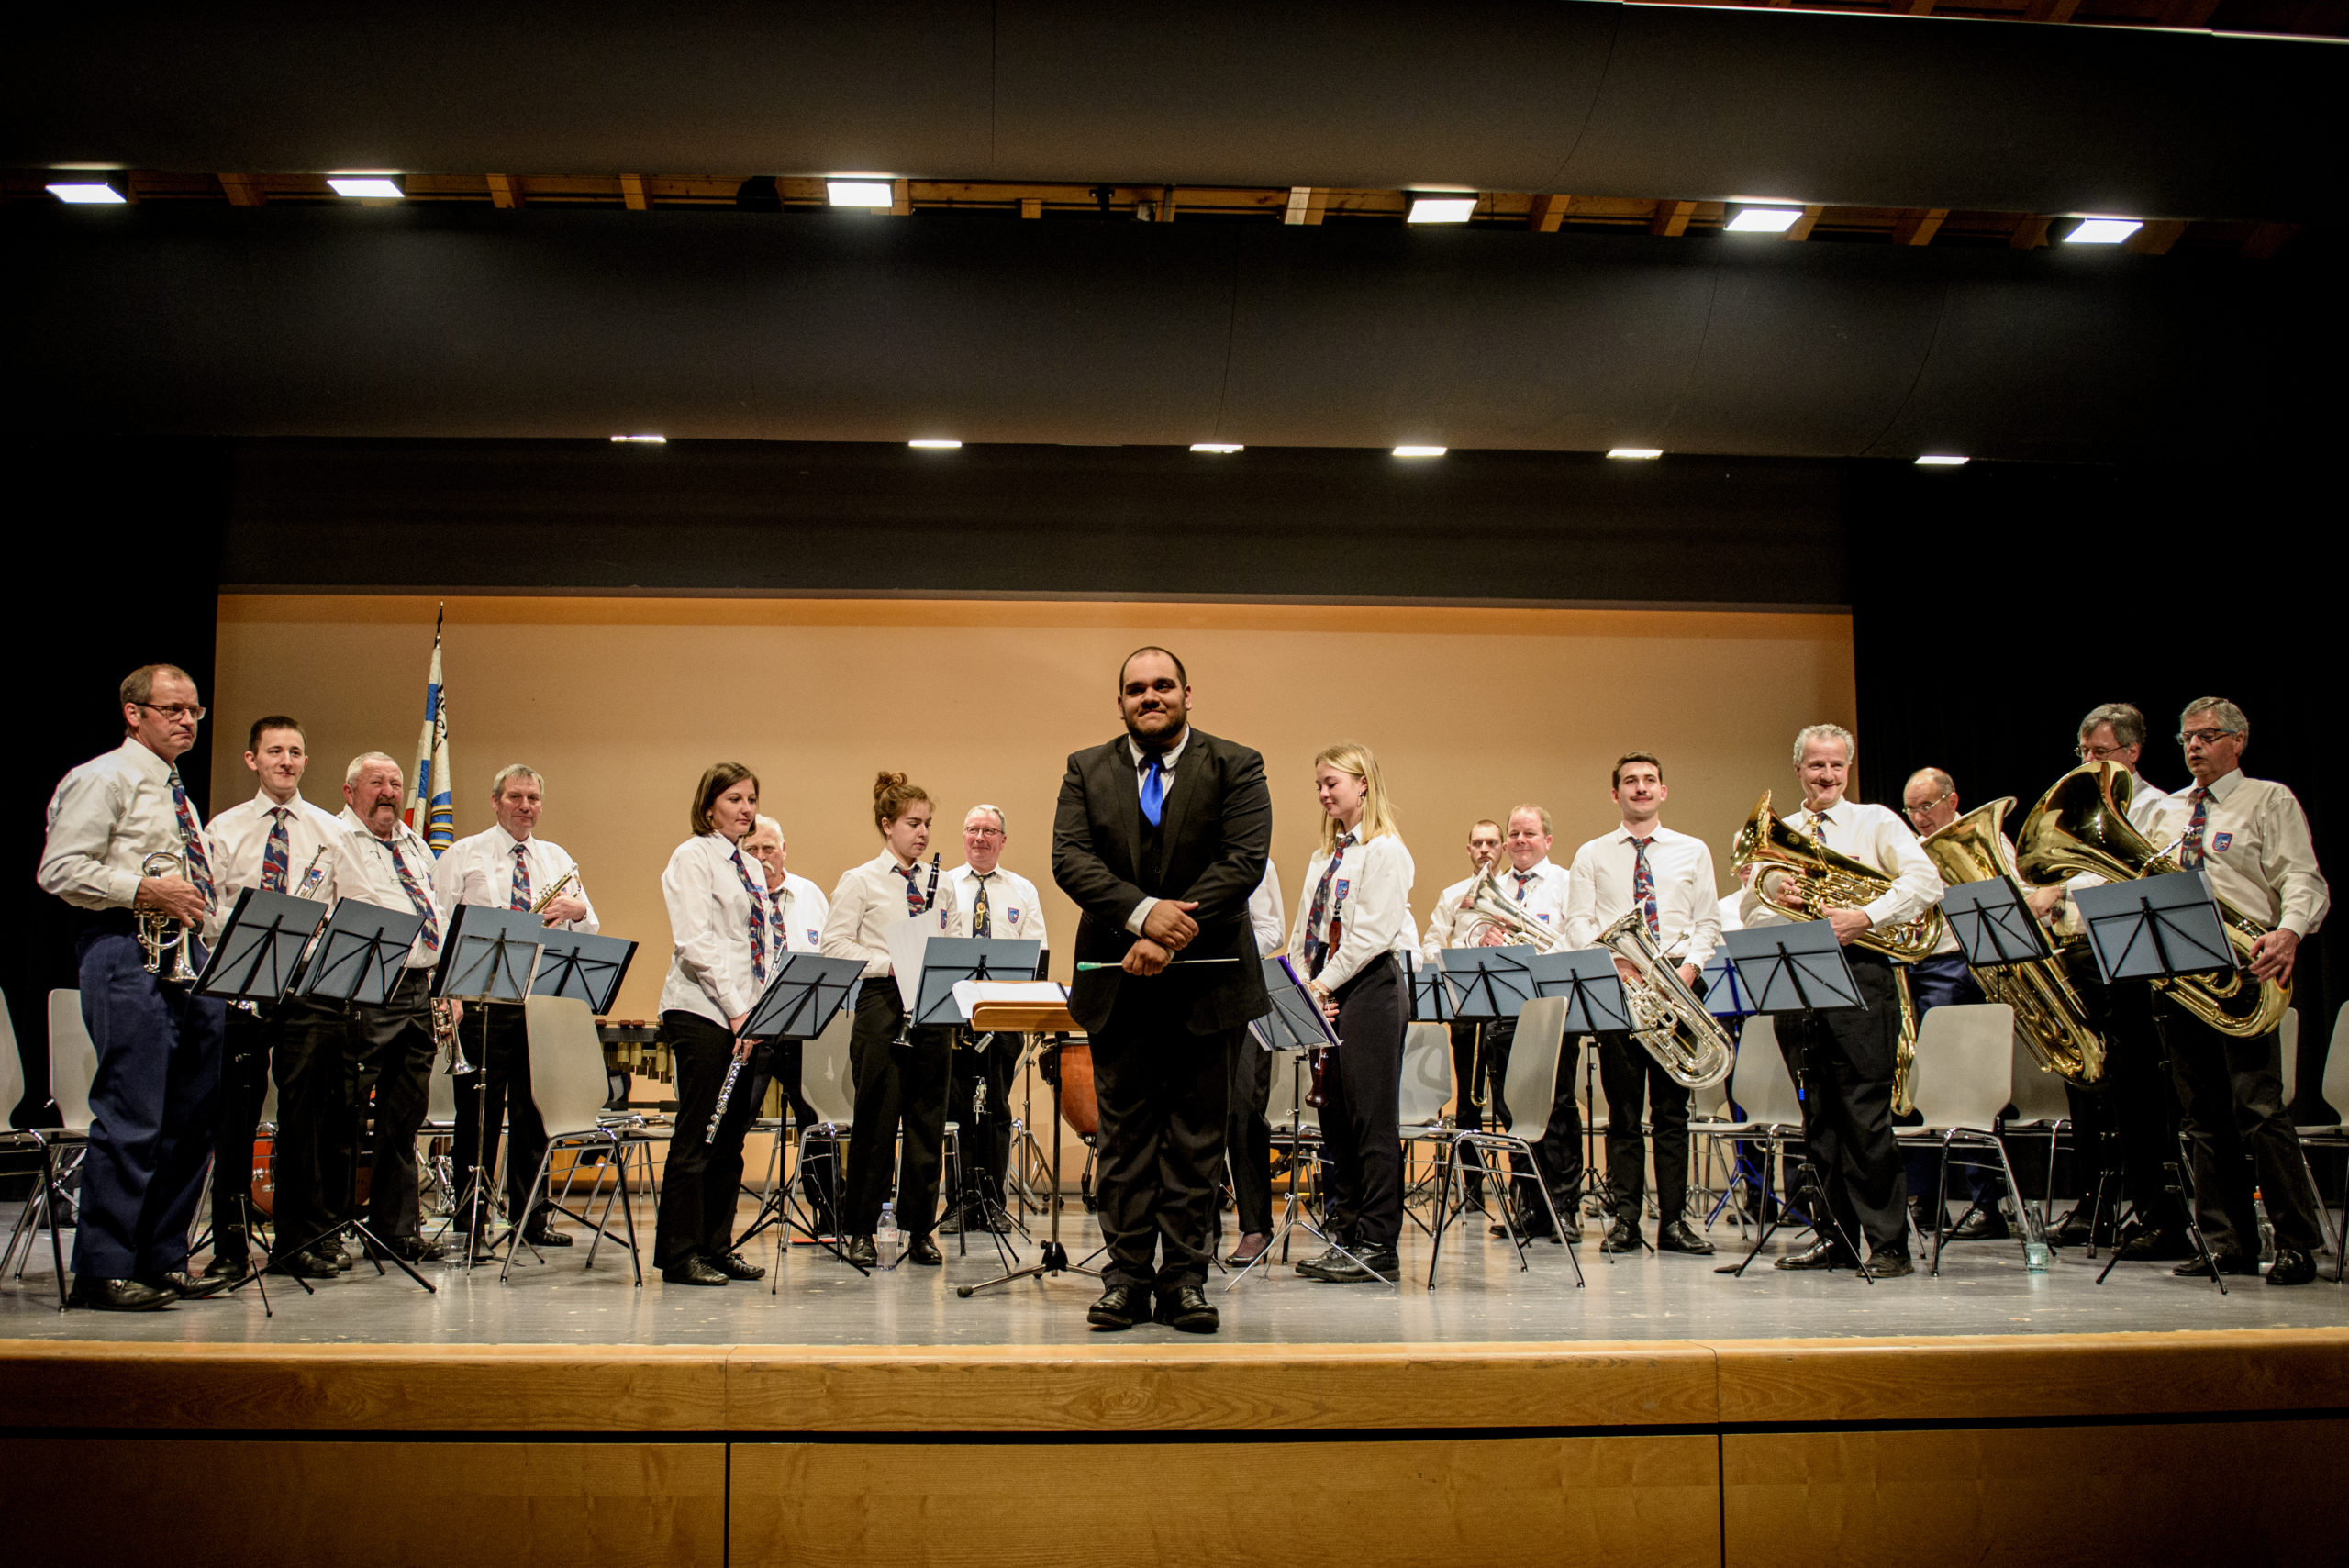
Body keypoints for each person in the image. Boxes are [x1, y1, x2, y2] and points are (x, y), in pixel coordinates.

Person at [1052, 647, 1271, 1334]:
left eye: (1164, 685)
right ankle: (1125, 1279)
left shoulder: (1237, 764)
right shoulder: (1086, 769)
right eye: (1137, 688)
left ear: (1187, 694)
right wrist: (1143, 915)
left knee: (1196, 1140)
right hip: (1121, 987)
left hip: (1208, 986)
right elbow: (1071, 858)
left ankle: (1183, 1281)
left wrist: (1170, 931)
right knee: (1124, 1140)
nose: (1151, 696)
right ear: (1119, 702)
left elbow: (1243, 860)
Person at [36, 664, 231, 1309]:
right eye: (173, 709)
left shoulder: (179, 794)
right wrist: (144, 888)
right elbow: (60, 870)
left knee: (192, 1117)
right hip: (126, 947)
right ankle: (104, 1265)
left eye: (195, 711)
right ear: (133, 712)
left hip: (189, 956)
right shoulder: (102, 778)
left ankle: (163, 1256)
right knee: (133, 1109)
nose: (187, 720)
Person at [1741, 723, 1943, 1277]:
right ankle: (1835, 1236)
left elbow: (1927, 883)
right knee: (1818, 1121)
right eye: (1815, 766)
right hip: (1798, 979)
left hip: (1860, 975)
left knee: (1864, 1118)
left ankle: (1889, 1244)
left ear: (1847, 770)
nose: (1826, 775)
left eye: (1835, 766)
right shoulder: (1779, 834)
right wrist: (1776, 899)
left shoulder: (1875, 820)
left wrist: (1865, 916)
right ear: (1798, 770)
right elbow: (1749, 911)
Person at [2154, 698, 2329, 1285]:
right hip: (2183, 971)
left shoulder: (2268, 799)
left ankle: (2298, 1242)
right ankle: (2225, 1241)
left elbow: (2302, 877)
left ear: (2238, 741)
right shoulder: (2167, 810)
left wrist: (2288, 932)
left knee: (2257, 1108)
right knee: (2202, 1115)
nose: (2194, 747)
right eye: (2186, 738)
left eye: (2206, 736)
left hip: (2248, 966)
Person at [197, 714, 345, 1278]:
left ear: (306, 761)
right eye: (274, 751)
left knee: (305, 1118)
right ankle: (230, 1247)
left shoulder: (331, 832)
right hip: (243, 981)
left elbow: (346, 904)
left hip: (307, 987)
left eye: (296, 751)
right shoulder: (224, 828)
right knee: (235, 1116)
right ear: (252, 760)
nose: (286, 760)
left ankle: (295, 1241)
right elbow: (207, 914)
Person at [430, 763, 597, 1259]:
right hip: (484, 1001)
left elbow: (589, 927)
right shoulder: (465, 853)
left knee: (534, 1116)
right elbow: (439, 924)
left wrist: (578, 912)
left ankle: (532, 1217)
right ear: (495, 800)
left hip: (540, 1004)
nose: (526, 806)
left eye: (533, 798)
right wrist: (447, 993)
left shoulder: (557, 858)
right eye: (516, 797)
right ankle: (471, 1222)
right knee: (477, 1117)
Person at [2048, 702, 2194, 1259]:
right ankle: (2096, 1206)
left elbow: (2140, 876)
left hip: (2134, 959)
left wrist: (2061, 892)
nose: (2088, 761)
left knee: (2138, 1092)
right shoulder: (2082, 807)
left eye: (2101, 752)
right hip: (2082, 952)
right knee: (2086, 1084)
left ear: (2132, 752)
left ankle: (2158, 1211)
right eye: (2083, 752)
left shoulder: (2160, 808)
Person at [1561, 752, 1721, 1256]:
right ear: (1616, 794)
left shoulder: (1692, 850)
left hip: (1679, 982)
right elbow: (1578, 923)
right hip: (1621, 986)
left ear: (1663, 791)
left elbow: (1707, 923)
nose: (1641, 788)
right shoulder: (1592, 853)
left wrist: (1689, 969)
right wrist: (1616, 963)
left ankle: (1673, 1222)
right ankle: (1626, 1221)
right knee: (1624, 1114)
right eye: (1630, 782)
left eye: (1650, 780)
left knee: (1673, 1111)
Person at [1287, 742, 1416, 1283]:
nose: (1323, 793)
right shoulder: (1325, 856)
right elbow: (1303, 930)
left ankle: (1377, 1242)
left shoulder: (1385, 851)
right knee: (1334, 1115)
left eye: (1332, 783)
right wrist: (1299, 982)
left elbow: (1369, 935)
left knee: (1370, 1117)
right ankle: (1345, 1232)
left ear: (1363, 784)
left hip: (1368, 988)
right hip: (1326, 986)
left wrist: (1321, 984)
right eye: (1318, 784)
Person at [823, 773, 962, 1270]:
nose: (923, 833)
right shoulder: (860, 880)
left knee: (926, 1123)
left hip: (929, 1004)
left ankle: (919, 1228)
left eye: (927, 824)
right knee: (876, 1124)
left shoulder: (940, 883)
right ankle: (860, 1227)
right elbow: (834, 946)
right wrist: (891, 961)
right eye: (912, 823)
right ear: (887, 825)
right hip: (882, 1002)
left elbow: (956, 939)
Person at [326, 752, 456, 1264]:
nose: (388, 792)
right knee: (347, 1111)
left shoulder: (415, 843)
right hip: (364, 983)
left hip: (419, 987)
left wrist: (444, 983)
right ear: (349, 790)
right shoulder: (335, 838)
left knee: (406, 1112)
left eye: (395, 783)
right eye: (376, 782)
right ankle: (331, 1227)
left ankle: (396, 1229)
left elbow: (436, 912)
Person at [651, 762, 776, 1286]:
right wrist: (735, 1008)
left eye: (751, 799)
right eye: (734, 800)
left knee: (730, 1140)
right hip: (703, 1009)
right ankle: (680, 1255)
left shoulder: (746, 865)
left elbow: (761, 941)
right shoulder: (692, 856)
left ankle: (716, 1246)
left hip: (744, 1014)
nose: (745, 809)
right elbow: (695, 942)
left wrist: (760, 1008)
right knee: (700, 1134)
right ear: (709, 807)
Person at [941, 803, 1049, 1234]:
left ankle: (993, 1203)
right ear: (963, 836)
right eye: (972, 829)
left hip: (1002, 1017)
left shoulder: (1022, 890)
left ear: (1003, 840)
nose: (980, 838)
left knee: (996, 1111)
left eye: (989, 831)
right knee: (957, 1111)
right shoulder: (945, 885)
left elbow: (1036, 953)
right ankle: (958, 1204)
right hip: (952, 1017)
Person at [1476, 804, 1580, 1241]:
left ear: (1547, 840)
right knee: (1511, 1113)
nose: (1520, 841)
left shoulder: (1566, 882)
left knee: (1557, 1111)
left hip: (1553, 1010)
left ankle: (1564, 1210)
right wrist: (1483, 937)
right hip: (1505, 1012)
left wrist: (1536, 951)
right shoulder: (1491, 885)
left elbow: (1579, 934)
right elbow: (1468, 934)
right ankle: (1528, 1208)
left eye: (1529, 834)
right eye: (1514, 834)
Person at [742, 813, 838, 1235]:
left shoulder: (811, 894)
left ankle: (831, 1216)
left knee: (818, 1126)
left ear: (784, 850)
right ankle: (717, 1227)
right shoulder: (735, 895)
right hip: (752, 1030)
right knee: (733, 1126)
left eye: (768, 848)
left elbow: (833, 957)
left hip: (805, 1033)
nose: (761, 857)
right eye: (751, 850)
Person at [1420, 818, 1504, 1212]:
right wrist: (1455, 963)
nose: (1484, 849)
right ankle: (1472, 1188)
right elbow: (1433, 942)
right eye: (1477, 843)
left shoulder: (1514, 895)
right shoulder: (1454, 894)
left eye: (1492, 842)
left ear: (1502, 848)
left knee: (1509, 1102)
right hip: (1467, 1007)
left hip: (1508, 1007)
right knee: (1470, 1105)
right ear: (1468, 850)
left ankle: (1519, 1192)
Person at [1222, 860, 1286, 1266]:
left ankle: (1255, 1227)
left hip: (1240, 994)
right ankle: (1197, 1226)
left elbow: (1272, 930)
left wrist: (1229, 951)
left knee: (1243, 1112)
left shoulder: (1255, 863)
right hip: (1187, 996)